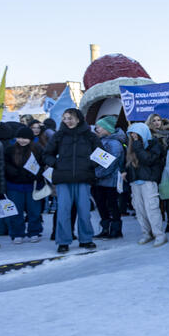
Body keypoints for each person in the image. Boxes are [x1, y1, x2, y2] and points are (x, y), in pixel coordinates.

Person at [43, 108, 101, 253]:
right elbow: (46, 155)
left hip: (83, 178)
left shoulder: (90, 136)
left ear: (78, 119)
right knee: (63, 211)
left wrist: (89, 164)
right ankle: (63, 241)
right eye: (65, 118)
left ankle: (86, 239)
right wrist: (56, 164)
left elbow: (101, 154)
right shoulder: (58, 135)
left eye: (70, 118)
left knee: (84, 211)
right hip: (63, 179)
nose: (67, 121)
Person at [124, 122, 167, 247]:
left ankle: (159, 234)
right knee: (140, 210)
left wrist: (137, 145)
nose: (133, 136)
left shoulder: (154, 145)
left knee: (152, 209)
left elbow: (148, 160)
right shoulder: (131, 147)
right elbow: (126, 162)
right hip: (135, 182)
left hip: (148, 181)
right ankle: (146, 233)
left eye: (135, 133)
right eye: (131, 133)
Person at [3, 126, 45, 243]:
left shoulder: (37, 149)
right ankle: (17, 233)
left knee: (34, 211)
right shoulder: (9, 149)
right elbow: (5, 164)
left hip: (33, 185)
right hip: (14, 186)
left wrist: (36, 175)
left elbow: (43, 165)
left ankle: (34, 231)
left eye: (25, 138)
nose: (22, 140)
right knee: (16, 211)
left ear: (30, 139)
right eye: (20, 137)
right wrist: (12, 172)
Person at [92, 116, 125, 239]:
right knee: (101, 205)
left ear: (107, 128)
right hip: (99, 179)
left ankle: (115, 230)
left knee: (111, 205)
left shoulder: (115, 143)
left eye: (99, 127)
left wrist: (97, 174)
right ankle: (106, 228)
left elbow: (111, 163)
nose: (97, 129)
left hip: (110, 180)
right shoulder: (102, 140)